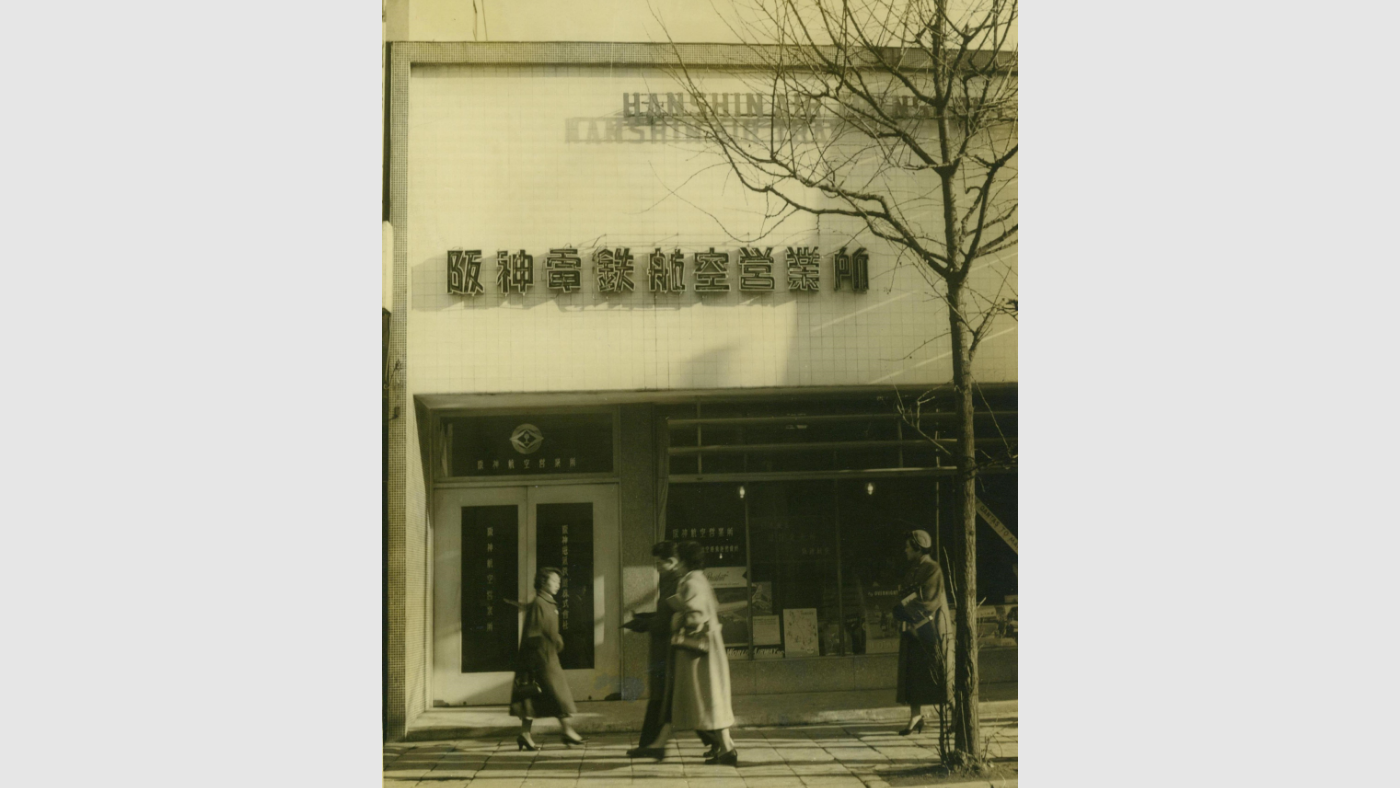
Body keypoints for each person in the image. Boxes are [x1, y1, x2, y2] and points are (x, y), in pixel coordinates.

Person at [634, 540, 739, 765]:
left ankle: (726, 748)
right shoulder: (699, 579)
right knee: (706, 701)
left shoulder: (691, 582)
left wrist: (675, 618)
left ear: (682, 561)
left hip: (697, 655)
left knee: (705, 700)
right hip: (705, 652)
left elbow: (695, 617)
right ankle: (724, 748)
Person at [509, 567, 585, 750]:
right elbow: (534, 634)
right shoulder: (539, 603)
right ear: (543, 583)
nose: (558, 585)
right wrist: (550, 645)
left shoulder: (548, 602)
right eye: (554, 581)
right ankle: (567, 730)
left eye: (559, 582)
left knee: (530, 698)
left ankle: (525, 735)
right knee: (558, 694)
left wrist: (557, 640)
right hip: (541, 658)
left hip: (545, 655)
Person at [893, 529, 954, 736]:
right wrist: (903, 605)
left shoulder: (932, 569)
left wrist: (904, 607)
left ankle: (956, 715)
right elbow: (905, 594)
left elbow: (928, 599)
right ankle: (915, 717)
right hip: (914, 629)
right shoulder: (914, 569)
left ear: (918, 549)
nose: (905, 551)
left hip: (931, 630)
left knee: (940, 673)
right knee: (913, 675)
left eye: (908, 547)